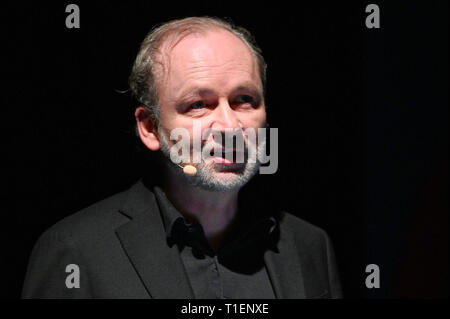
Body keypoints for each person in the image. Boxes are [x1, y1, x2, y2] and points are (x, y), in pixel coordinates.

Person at [22, 16, 342, 299]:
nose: (230, 126)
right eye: (198, 105)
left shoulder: (309, 245)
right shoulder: (77, 251)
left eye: (244, 100)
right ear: (150, 127)